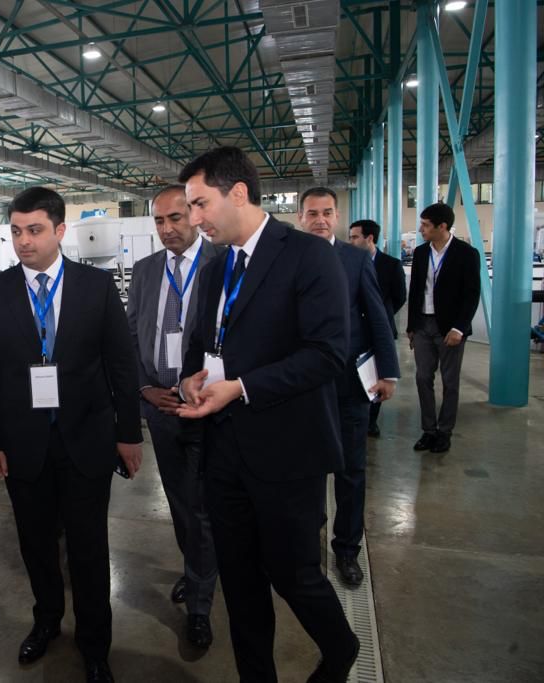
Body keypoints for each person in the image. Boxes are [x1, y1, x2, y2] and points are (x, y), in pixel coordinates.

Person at [175, 147, 359, 683]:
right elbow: (205, 346)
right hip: (223, 451)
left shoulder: (307, 255)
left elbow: (327, 354)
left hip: (288, 452)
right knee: (240, 583)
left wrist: (241, 388)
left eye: (200, 203)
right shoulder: (215, 270)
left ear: (238, 193)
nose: (194, 219)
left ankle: (341, 649)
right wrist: (191, 379)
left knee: (294, 574)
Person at [0, 187, 142, 683]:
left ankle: (95, 644)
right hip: (24, 444)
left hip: (86, 440)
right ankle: (46, 620)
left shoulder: (96, 287)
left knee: (89, 549)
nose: (24, 241)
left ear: (60, 230)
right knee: (36, 544)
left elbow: (121, 365)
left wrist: (128, 434)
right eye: (16, 231)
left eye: (35, 230)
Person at [124, 184, 220, 648]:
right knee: (181, 503)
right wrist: (144, 388)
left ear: (195, 216)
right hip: (160, 408)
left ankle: (200, 605)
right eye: (159, 221)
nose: (167, 229)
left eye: (176, 218)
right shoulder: (145, 271)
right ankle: (196, 567)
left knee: (201, 507)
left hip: (208, 408)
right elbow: (130, 335)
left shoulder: (221, 263)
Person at [299, 188, 400, 587]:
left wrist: (387, 372)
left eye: (327, 212)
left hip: (348, 386)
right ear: (301, 218)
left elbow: (378, 317)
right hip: (301, 388)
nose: (320, 219)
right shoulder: (286, 259)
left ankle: (346, 549)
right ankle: (307, 539)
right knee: (305, 471)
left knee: (351, 472)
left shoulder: (356, 260)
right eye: (312, 213)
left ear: (337, 217)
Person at [406, 203, 481, 454]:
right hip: (423, 325)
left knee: (450, 382)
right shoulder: (420, 253)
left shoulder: (466, 254)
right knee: (422, 378)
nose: (421, 229)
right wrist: (411, 326)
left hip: (450, 328)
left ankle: (444, 432)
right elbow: (415, 291)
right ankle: (428, 430)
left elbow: (471, 295)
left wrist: (459, 328)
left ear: (442, 226)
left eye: (426, 225)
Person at [348, 219, 406, 437]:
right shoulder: (348, 262)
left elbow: (399, 296)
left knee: (376, 375)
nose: (351, 241)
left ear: (369, 238)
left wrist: (381, 315)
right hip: (355, 332)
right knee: (357, 377)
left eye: (355, 237)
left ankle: (371, 421)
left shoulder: (391, 265)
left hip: (380, 329)